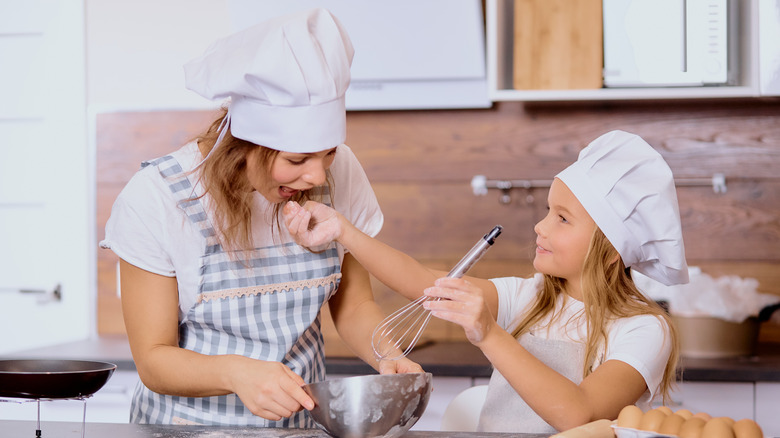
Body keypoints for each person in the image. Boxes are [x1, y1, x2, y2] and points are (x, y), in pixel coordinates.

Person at [99, 8, 422, 428]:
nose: (318, 176)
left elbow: (355, 305)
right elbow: (154, 360)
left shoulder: (339, 173)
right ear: (245, 144)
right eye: (297, 159)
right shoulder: (159, 198)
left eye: (328, 152)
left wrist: (389, 355)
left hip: (299, 428)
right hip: (183, 429)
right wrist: (235, 372)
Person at [284, 130, 689, 434]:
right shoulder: (529, 296)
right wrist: (343, 232)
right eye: (548, 211)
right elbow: (424, 282)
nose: (540, 226)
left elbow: (578, 413)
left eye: (562, 219)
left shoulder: (643, 330)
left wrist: (489, 334)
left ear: (612, 248)